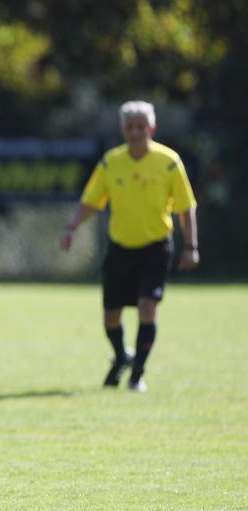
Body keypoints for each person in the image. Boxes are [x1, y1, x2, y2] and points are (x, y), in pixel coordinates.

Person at [60, 101, 199, 392]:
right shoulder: (112, 162)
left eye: (141, 126)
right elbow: (91, 201)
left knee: (148, 307)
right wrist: (72, 227)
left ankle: (137, 373)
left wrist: (191, 246)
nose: (135, 132)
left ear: (152, 128)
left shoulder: (169, 162)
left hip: (156, 247)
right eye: (130, 126)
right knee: (111, 314)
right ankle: (122, 356)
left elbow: (186, 208)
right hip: (120, 248)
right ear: (123, 129)